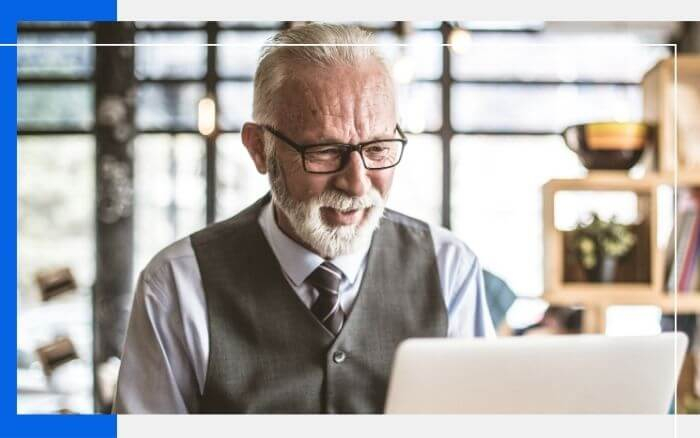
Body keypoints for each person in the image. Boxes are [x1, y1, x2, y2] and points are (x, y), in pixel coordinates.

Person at [113, 22, 495, 414]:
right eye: (326, 151)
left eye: (378, 148)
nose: (356, 183)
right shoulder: (177, 284)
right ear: (259, 148)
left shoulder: (449, 268)